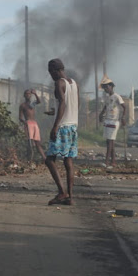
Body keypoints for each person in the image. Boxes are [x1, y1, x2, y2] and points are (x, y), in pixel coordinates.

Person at [45, 58, 79, 205]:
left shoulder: (59, 83)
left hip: (63, 127)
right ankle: (70, 197)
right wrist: (56, 111)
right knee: (68, 160)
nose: (51, 76)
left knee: (49, 160)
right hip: (73, 126)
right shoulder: (74, 82)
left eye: (50, 72)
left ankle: (61, 192)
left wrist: (55, 126)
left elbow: (63, 103)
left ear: (55, 71)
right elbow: (74, 104)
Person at [98, 76, 126, 168]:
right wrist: (101, 114)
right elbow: (105, 107)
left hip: (114, 121)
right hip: (107, 120)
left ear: (111, 86)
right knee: (109, 142)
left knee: (110, 141)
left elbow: (124, 107)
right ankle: (113, 161)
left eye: (107, 87)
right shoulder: (107, 97)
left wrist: (122, 118)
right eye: (104, 87)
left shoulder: (117, 96)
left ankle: (106, 162)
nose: (105, 89)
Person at [18, 89, 45, 161]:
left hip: (34, 124)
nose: (28, 95)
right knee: (30, 143)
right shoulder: (23, 105)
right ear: (24, 95)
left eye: (29, 94)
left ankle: (45, 159)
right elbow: (20, 117)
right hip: (28, 124)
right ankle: (30, 160)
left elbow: (39, 101)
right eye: (26, 94)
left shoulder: (32, 104)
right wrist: (25, 122)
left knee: (37, 142)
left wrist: (35, 94)